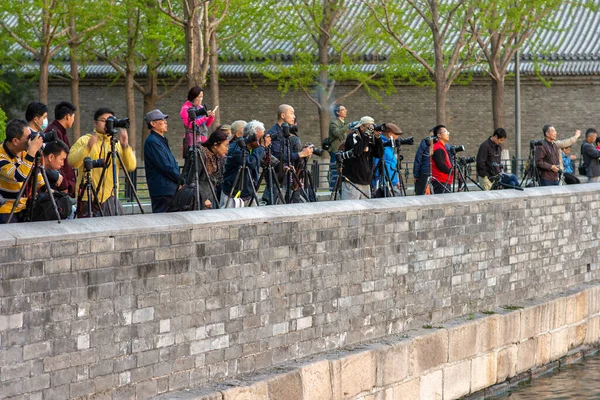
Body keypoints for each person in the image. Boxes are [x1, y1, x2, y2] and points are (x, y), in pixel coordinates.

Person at [68, 107, 136, 217]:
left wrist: (125, 146)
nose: (107, 124)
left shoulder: (116, 144)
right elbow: (72, 162)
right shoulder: (85, 140)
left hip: (110, 198)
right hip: (88, 197)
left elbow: (131, 166)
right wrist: (88, 147)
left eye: (110, 121)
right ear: (95, 123)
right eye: (103, 121)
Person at [264, 104, 312, 204]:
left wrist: (288, 165)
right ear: (283, 115)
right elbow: (277, 157)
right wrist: (300, 154)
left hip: (285, 175)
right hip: (277, 178)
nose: (294, 116)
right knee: (277, 207)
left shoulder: (284, 132)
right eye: (291, 113)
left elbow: (284, 155)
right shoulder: (274, 133)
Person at [0, 119, 44, 223]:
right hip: (6, 211)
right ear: (15, 141)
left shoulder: (24, 152)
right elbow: (18, 176)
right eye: (28, 137)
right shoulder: (1, 157)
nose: (31, 140)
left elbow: (35, 173)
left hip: (25, 208)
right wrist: (32, 152)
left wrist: (45, 187)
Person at [221, 120, 271, 207]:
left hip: (250, 194)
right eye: (259, 138)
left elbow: (269, 162)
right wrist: (262, 147)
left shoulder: (255, 148)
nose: (261, 142)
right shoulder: (237, 147)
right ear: (250, 136)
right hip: (233, 195)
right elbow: (250, 163)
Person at [143, 109, 181, 213]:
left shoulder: (160, 140)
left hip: (169, 188)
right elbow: (165, 166)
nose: (165, 122)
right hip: (162, 190)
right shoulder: (152, 141)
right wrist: (180, 180)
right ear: (153, 123)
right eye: (162, 119)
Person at [182, 128, 229, 209]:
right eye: (225, 145)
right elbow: (192, 180)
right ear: (215, 145)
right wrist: (203, 198)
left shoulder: (218, 157)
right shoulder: (200, 155)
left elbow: (219, 180)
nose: (227, 148)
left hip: (210, 196)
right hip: (196, 199)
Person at [340, 116, 383, 200]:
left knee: (366, 210)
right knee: (350, 208)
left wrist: (378, 138)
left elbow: (379, 154)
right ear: (362, 127)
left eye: (372, 126)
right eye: (369, 127)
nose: (371, 129)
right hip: (352, 181)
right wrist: (367, 135)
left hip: (366, 180)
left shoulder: (370, 138)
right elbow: (357, 152)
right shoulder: (353, 136)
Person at [45, 101, 77, 196]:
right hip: (58, 185)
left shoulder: (60, 132)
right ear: (67, 116)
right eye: (73, 117)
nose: (73, 120)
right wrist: (64, 185)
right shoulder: (54, 132)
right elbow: (55, 160)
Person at [180, 86, 215, 157]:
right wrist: (204, 118)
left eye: (202, 97)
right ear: (193, 97)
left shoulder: (201, 107)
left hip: (203, 138)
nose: (201, 99)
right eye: (198, 97)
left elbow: (206, 125)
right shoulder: (186, 108)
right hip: (192, 140)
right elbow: (189, 125)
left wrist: (211, 117)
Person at [373, 123, 403, 196]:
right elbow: (378, 164)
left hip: (392, 181)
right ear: (390, 134)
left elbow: (391, 163)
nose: (398, 137)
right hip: (385, 182)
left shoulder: (389, 145)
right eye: (396, 135)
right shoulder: (382, 144)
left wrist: (397, 180)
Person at [328, 104, 348, 189]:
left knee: (342, 171)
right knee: (335, 171)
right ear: (337, 112)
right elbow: (337, 133)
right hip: (335, 150)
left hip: (343, 151)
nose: (345, 110)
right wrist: (348, 127)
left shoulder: (343, 123)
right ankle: (333, 190)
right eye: (343, 109)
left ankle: (340, 189)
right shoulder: (334, 123)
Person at [430, 125, 453, 194]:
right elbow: (441, 164)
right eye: (445, 132)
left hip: (444, 180)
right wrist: (451, 171)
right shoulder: (438, 147)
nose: (448, 134)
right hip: (441, 181)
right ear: (439, 135)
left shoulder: (442, 146)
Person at [413, 129, 434, 196]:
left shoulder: (425, 142)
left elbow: (418, 158)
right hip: (435, 172)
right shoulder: (442, 144)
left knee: (420, 194)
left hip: (425, 171)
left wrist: (416, 174)